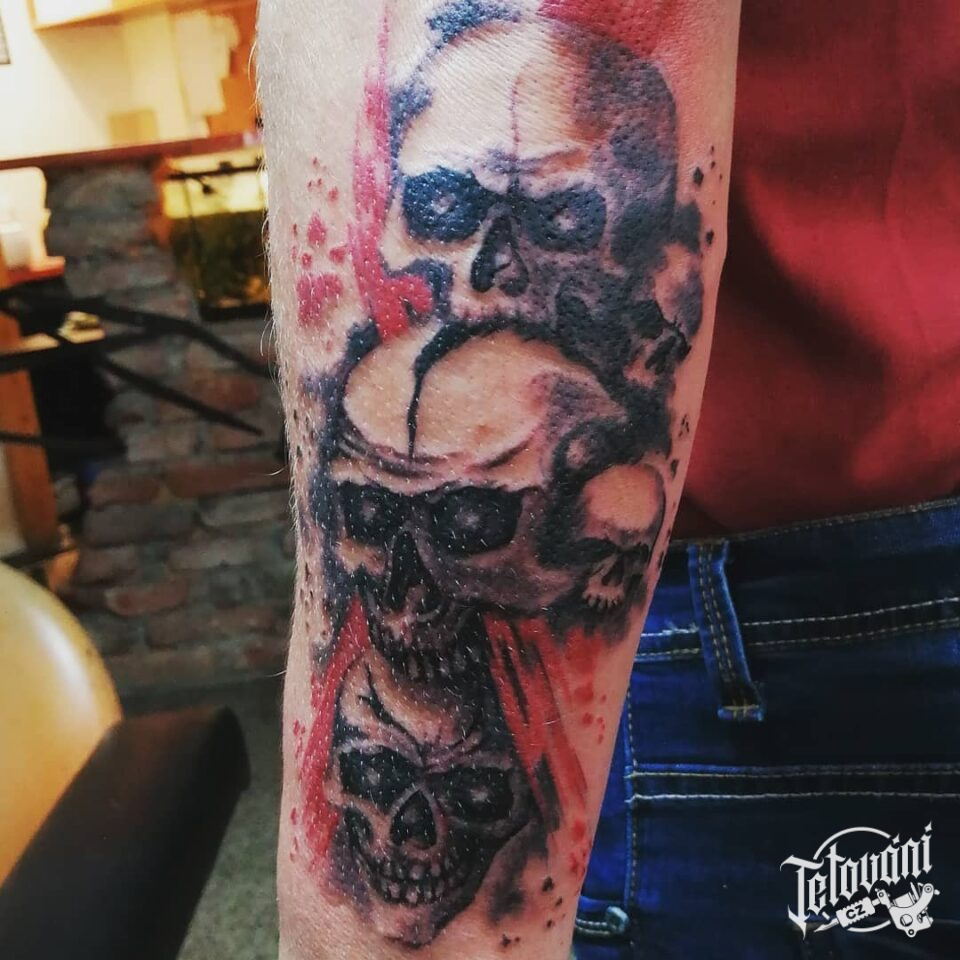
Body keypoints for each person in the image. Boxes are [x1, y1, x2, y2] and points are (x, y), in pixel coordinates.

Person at [256, 1, 960, 957]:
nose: (492, 274)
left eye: (558, 221)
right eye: (448, 212)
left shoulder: (561, 513)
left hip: (745, 658)